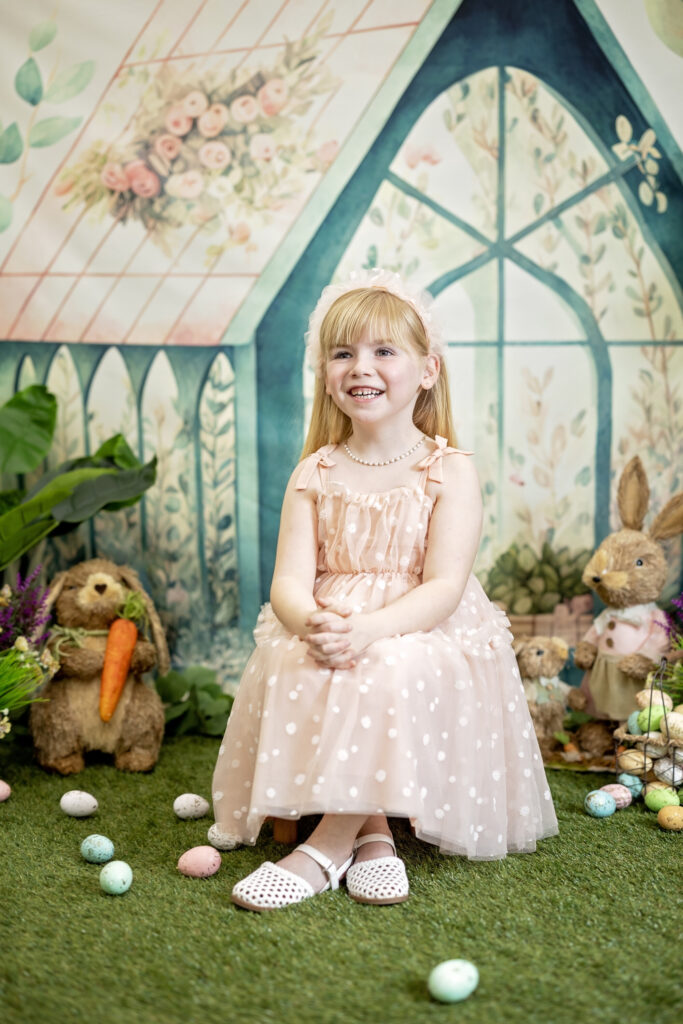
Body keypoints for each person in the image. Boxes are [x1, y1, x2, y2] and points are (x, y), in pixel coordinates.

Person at [210, 267, 558, 912]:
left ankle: (321, 848)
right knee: (292, 657)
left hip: (421, 624)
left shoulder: (447, 471)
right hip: (333, 619)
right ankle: (373, 838)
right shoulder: (315, 471)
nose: (359, 366)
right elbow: (289, 580)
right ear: (326, 372)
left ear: (427, 370)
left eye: (383, 351)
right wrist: (309, 620)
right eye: (342, 353)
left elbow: (445, 587)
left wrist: (369, 628)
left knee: (389, 665)